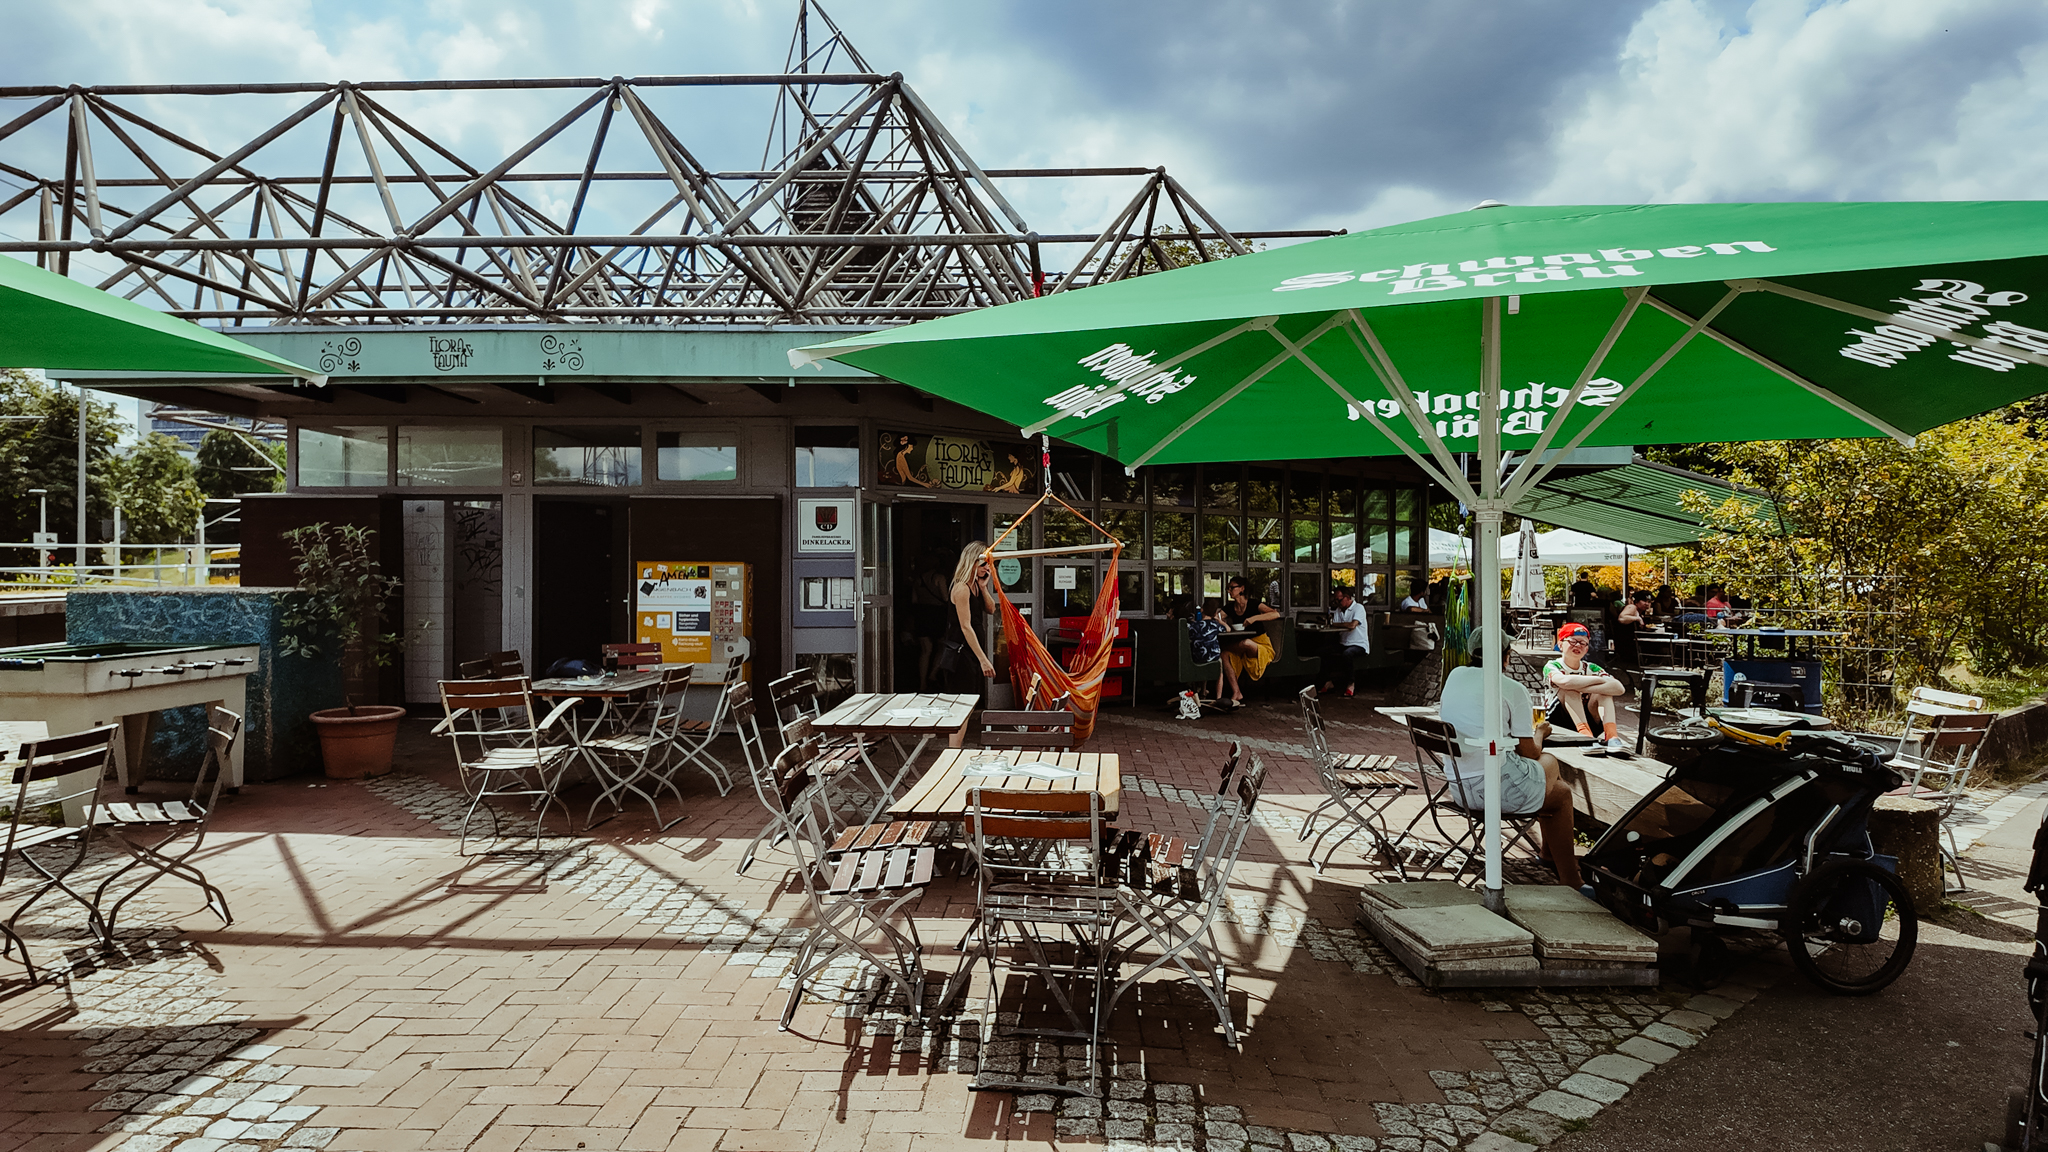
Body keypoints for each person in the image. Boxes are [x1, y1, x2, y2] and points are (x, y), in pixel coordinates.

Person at [1437, 627, 1583, 888]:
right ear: (1506, 655)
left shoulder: (1455, 676)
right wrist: (1540, 732)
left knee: (1556, 790)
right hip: (1495, 791)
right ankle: (1570, 877)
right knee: (1555, 779)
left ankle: (1550, 857)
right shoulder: (1511, 688)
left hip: (1459, 788)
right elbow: (1530, 752)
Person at [1545, 622, 1629, 752]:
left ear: (1586, 649)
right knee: (1569, 690)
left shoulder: (1591, 667)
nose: (1578, 645)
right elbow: (1564, 682)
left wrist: (1584, 687)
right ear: (1560, 645)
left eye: (1583, 643)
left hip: (1590, 720)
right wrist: (1599, 681)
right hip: (1558, 719)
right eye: (1573, 641)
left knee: (1604, 693)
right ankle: (1584, 736)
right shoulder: (1553, 665)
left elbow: (1618, 688)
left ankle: (1611, 736)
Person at [937, 540, 998, 694]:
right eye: (984, 564)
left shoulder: (975, 585)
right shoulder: (961, 588)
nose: (987, 568)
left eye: (989, 564)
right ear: (972, 562)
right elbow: (966, 626)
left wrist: (983, 588)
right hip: (961, 652)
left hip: (971, 652)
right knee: (963, 697)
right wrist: (983, 659)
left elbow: (991, 609)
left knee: (972, 694)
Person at [1212, 576, 1279, 710]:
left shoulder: (1254, 604)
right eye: (1228, 588)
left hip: (1259, 644)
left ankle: (1226, 647)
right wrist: (1220, 621)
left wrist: (1254, 618)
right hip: (1240, 645)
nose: (1229, 591)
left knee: (1246, 643)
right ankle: (1236, 692)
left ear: (1241, 589)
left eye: (1232, 588)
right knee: (1224, 654)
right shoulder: (1230, 607)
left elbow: (1275, 614)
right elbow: (1217, 616)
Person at [1318, 583, 1372, 698]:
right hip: (1344, 643)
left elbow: (1352, 625)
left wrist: (1338, 624)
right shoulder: (1338, 610)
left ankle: (1350, 684)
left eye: (1339, 600)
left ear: (1347, 598)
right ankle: (1328, 682)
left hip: (1358, 644)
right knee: (1324, 651)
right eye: (1336, 600)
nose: (1337, 603)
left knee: (1347, 654)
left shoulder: (1359, 608)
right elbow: (1334, 625)